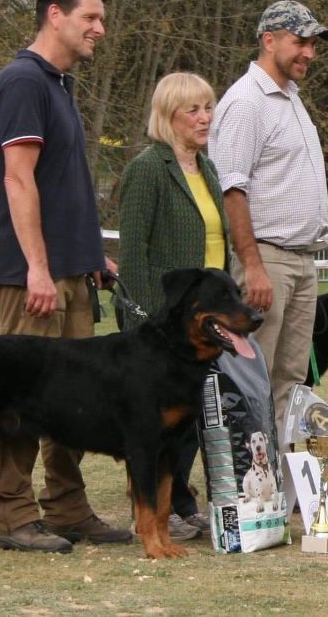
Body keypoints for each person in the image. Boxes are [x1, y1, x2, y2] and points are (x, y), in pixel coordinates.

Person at [0, 0, 131, 553]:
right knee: (22, 396)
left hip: (70, 270)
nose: (100, 29)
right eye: (90, 18)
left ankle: (67, 509)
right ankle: (12, 517)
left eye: (101, 20)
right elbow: (18, 182)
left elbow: (62, 185)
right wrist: (37, 270)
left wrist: (91, 257)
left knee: (73, 398)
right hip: (31, 275)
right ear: (55, 15)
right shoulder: (23, 80)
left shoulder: (62, 85)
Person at [209, 0, 328, 444]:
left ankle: (278, 482)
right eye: (300, 42)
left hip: (300, 260)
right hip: (268, 258)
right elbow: (232, 188)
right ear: (269, 41)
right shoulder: (245, 102)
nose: (309, 53)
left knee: (291, 379)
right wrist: (253, 263)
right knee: (252, 374)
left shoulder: (291, 99)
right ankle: (248, 481)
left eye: (313, 44)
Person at [119, 72, 226, 541]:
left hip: (204, 323)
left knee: (191, 418)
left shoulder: (209, 168)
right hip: (162, 327)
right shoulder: (148, 168)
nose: (205, 118)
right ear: (168, 117)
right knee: (156, 423)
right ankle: (162, 506)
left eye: (208, 107)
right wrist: (145, 316)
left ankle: (179, 501)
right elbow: (133, 252)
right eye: (194, 110)